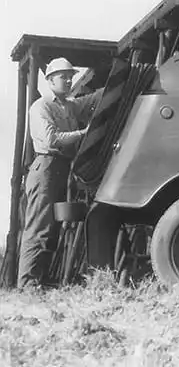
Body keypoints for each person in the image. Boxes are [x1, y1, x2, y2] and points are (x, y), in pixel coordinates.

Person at [18, 57, 103, 289]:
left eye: (70, 76)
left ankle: (39, 282)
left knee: (53, 228)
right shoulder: (41, 106)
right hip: (46, 167)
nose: (68, 80)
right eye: (63, 76)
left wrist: (120, 82)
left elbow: (93, 100)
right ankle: (27, 285)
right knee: (39, 227)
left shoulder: (70, 105)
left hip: (62, 168)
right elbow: (52, 139)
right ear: (49, 80)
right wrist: (82, 133)